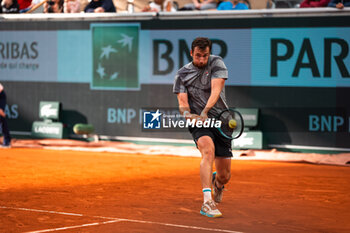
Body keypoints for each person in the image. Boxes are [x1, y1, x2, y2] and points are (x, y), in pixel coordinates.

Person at [173, 37, 232, 218]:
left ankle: (218, 183)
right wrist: (189, 116)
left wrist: (206, 111)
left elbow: (216, 90)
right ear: (191, 53)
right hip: (199, 123)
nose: (201, 60)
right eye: (198, 56)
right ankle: (207, 202)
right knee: (207, 150)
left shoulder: (217, 63)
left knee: (225, 175)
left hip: (221, 120)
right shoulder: (182, 74)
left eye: (204, 56)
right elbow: (183, 103)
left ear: (209, 53)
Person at [0, 83, 11, 148]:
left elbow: (1, 89)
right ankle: (7, 141)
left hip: (1, 96)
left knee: (1, 117)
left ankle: (7, 142)